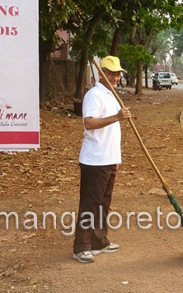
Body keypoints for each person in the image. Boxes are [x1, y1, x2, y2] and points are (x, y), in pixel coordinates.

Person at [73, 56, 131, 263]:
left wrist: (116, 158)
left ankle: (99, 241)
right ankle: (81, 246)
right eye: (111, 73)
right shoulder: (94, 95)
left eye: (117, 74)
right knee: (90, 204)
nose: (115, 77)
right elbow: (88, 122)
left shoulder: (111, 95)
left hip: (109, 158)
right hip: (94, 160)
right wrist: (117, 117)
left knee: (103, 203)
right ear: (101, 73)